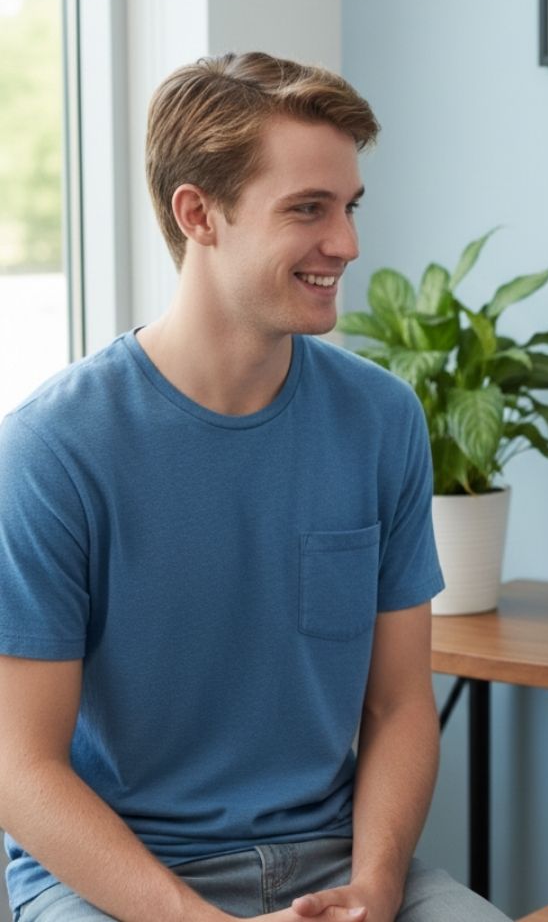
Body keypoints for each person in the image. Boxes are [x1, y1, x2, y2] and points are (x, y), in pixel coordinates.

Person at [0, 52, 509, 922]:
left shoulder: (380, 419)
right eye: (307, 210)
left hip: (335, 863)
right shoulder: (53, 450)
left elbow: (396, 704)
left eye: (349, 208)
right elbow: (20, 766)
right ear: (199, 214)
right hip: (121, 882)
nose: (345, 243)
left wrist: (378, 887)